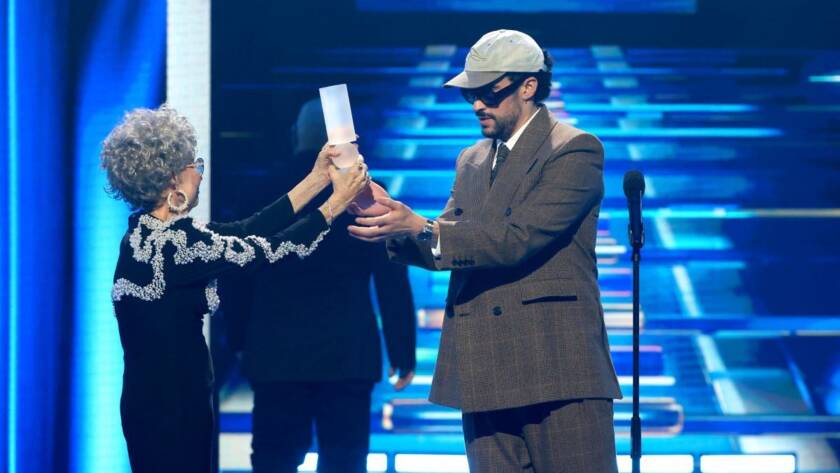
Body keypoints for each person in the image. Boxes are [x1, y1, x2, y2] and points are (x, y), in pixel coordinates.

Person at [349, 30, 621, 472]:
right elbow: (448, 242)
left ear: (528, 86)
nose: (477, 104)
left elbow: (517, 238)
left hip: (556, 364)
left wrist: (421, 226)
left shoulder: (574, 150)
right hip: (485, 368)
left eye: (489, 94)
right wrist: (390, 223)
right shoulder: (472, 159)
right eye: (470, 95)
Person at [101, 104, 368, 473]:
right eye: (194, 165)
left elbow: (248, 229)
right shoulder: (180, 245)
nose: (199, 173)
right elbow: (271, 249)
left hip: (145, 405)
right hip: (176, 409)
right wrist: (335, 203)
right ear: (173, 179)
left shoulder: (140, 237)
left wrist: (317, 178)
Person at [225, 98, 417, 473]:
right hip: (347, 356)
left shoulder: (259, 192)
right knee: (344, 463)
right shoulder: (368, 195)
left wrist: (238, 341)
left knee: (274, 462)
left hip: (276, 356)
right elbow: (391, 278)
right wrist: (402, 351)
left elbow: (237, 274)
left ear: (297, 135)